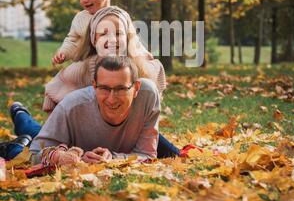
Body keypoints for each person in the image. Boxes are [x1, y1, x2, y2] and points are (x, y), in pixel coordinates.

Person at [0, 57, 180, 165]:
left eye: (120, 89)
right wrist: (69, 158)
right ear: (93, 86)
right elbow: (35, 154)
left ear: (136, 88)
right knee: (31, 139)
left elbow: (147, 155)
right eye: (104, 88)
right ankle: (21, 116)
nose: (111, 98)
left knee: (35, 131)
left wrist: (114, 159)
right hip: (71, 145)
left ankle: (21, 116)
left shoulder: (148, 95)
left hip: (112, 151)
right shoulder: (71, 106)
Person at [43, 6, 166, 112]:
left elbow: (156, 72)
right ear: (94, 40)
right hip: (94, 128)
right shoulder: (86, 66)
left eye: (118, 33)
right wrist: (54, 114)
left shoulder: (136, 64)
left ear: (127, 38)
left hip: (130, 128)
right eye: (103, 34)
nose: (112, 39)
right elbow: (56, 85)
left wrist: (144, 56)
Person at [52, 0, 114, 65]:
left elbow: (132, 39)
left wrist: (142, 53)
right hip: (86, 65)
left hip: (113, 67)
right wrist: (63, 53)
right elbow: (72, 41)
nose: (84, 0)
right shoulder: (80, 18)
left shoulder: (118, 16)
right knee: (63, 78)